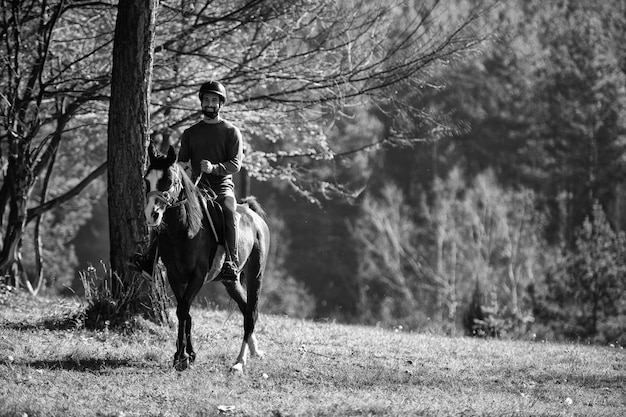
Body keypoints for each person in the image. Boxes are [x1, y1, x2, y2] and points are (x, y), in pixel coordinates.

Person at [130, 80, 243, 281]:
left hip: (222, 187)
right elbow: (183, 163)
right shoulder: (190, 133)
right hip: (195, 187)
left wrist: (214, 168)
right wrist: (176, 172)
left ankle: (231, 263)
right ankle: (150, 259)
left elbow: (236, 163)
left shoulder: (231, 131)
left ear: (220, 104)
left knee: (228, 211)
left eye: (214, 100)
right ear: (201, 102)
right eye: (206, 99)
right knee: (166, 210)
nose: (209, 103)